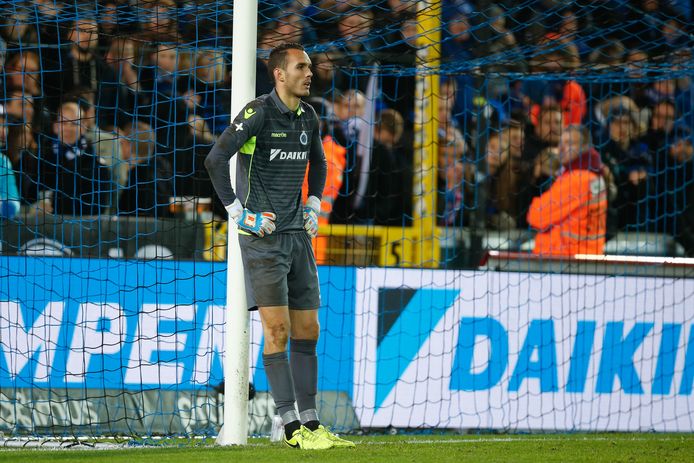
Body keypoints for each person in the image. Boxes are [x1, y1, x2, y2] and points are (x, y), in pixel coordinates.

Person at [204, 43, 354, 450]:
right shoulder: (257, 113)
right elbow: (216, 160)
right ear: (279, 74)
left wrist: (314, 202)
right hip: (264, 240)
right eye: (301, 67)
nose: (310, 73)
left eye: (310, 66)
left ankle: (312, 421)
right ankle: (289, 426)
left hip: (298, 237)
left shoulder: (308, 116)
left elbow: (319, 163)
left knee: (310, 330)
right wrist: (239, 214)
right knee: (278, 329)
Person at [527, 125, 608, 255]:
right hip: (585, 256)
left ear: (585, 147)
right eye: (560, 143)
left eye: (570, 143)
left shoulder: (577, 179)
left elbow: (536, 216)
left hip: (566, 259)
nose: (561, 148)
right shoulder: (593, 175)